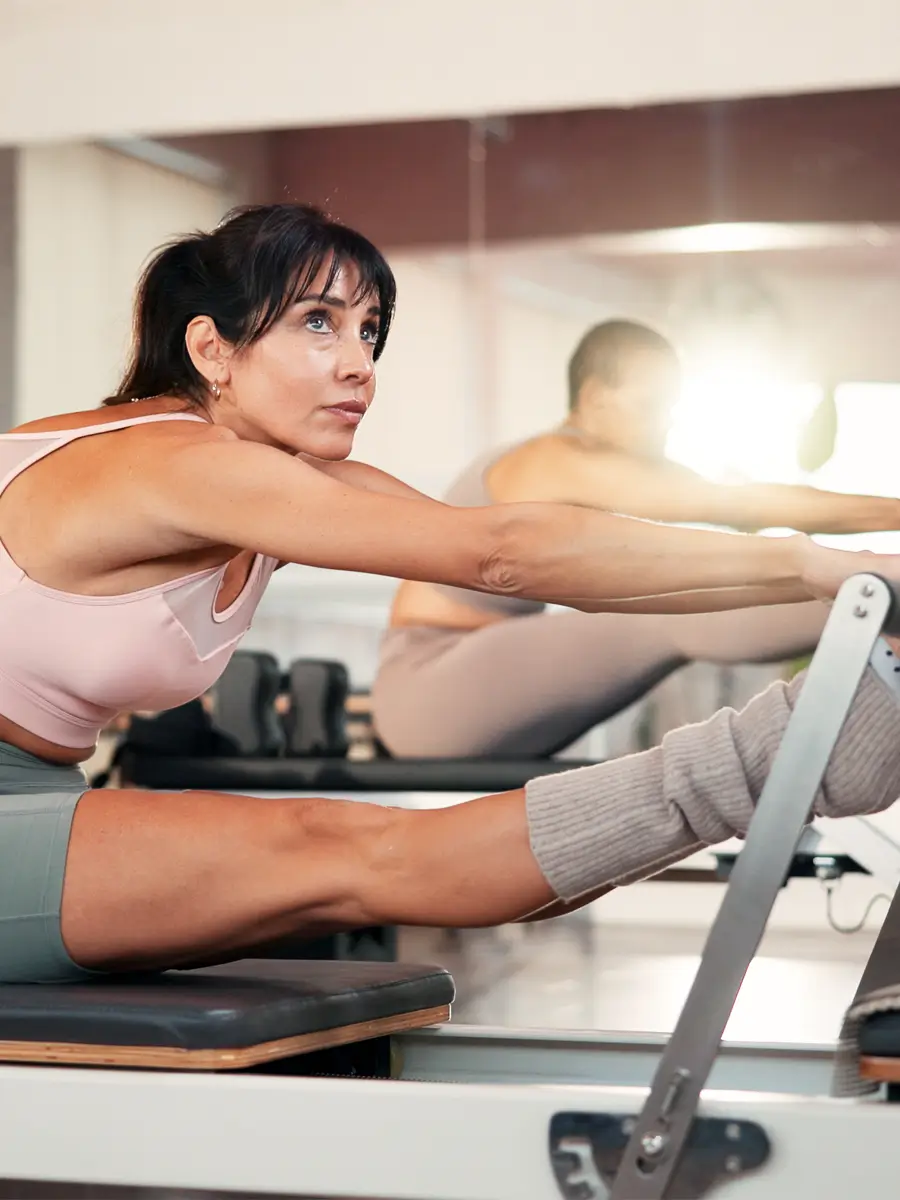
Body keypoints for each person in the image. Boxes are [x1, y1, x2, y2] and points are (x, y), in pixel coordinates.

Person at [1, 202, 900, 986]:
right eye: (319, 323)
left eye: (369, 330)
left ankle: (801, 748)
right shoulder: (179, 464)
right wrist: (818, 565)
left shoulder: (267, 471)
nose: (360, 364)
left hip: (42, 787)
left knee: (362, 855)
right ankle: (791, 755)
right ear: (212, 348)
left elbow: (541, 561)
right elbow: (504, 554)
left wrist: (845, 573)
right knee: (349, 854)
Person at [373, 319, 900, 757]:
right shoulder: (554, 461)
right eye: (652, 407)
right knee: (665, 608)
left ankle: (877, 589)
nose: (666, 424)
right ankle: (882, 591)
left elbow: (738, 505)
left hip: (459, 691)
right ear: (598, 399)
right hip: (427, 687)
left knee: (670, 590)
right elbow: (742, 504)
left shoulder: (590, 465)